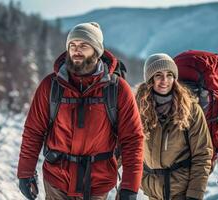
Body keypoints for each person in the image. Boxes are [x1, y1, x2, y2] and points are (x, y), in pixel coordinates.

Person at [17, 22, 144, 200]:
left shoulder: (117, 89)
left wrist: (130, 186)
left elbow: (133, 139)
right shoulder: (51, 85)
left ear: (97, 50)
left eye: (84, 45)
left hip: (97, 183)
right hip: (57, 180)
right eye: (72, 45)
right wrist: (25, 172)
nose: (76, 50)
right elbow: (33, 131)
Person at [135, 53, 213, 200]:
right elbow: (126, 147)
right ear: (149, 79)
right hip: (152, 192)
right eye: (158, 75)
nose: (165, 80)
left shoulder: (190, 110)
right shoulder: (138, 108)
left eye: (169, 75)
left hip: (182, 192)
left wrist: (194, 196)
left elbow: (202, 155)